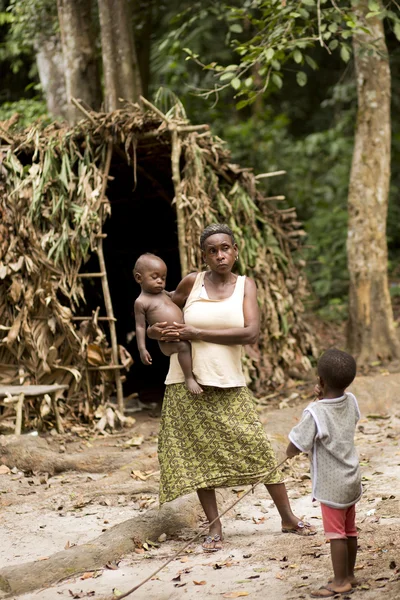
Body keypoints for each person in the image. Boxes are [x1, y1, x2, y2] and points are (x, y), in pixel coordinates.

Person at [147, 223, 315, 552]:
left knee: (259, 450)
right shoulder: (191, 283)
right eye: (213, 250)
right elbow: (159, 308)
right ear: (204, 256)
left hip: (228, 382)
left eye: (225, 248)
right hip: (186, 382)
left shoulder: (244, 286)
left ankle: (288, 518)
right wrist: (155, 332)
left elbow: (250, 333)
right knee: (199, 457)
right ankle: (214, 527)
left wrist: (195, 333)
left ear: (236, 251)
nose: (220, 255)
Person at [287, 348, 361, 598]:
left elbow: (298, 443)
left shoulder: (315, 412)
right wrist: (321, 400)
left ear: (320, 381)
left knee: (336, 535)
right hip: (351, 478)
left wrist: (288, 453)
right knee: (349, 531)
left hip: (331, 486)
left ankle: (340, 581)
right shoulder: (351, 401)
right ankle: (349, 574)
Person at [133, 253, 202, 395]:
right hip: (167, 341)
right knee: (184, 347)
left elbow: (177, 295)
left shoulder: (164, 293)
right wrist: (142, 349)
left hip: (182, 333)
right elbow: (140, 326)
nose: (160, 281)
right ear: (139, 278)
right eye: (155, 277)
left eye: (163, 278)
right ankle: (189, 378)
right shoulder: (141, 302)